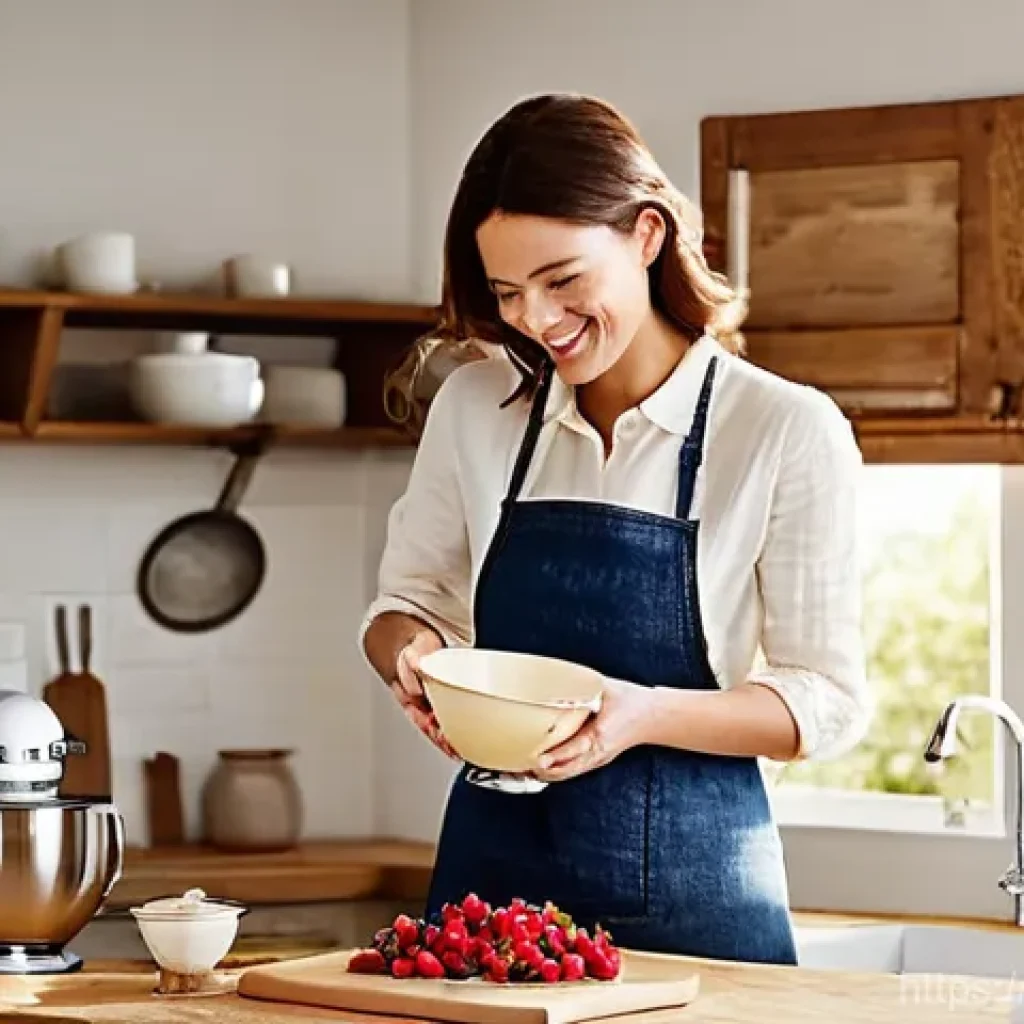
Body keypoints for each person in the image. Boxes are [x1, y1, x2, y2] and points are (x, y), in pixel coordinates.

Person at [360, 93, 872, 966]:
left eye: (563, 281)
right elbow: (406, 603)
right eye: (507, 292)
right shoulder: (477, 408)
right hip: (491, 894)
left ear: (646, 235)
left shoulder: (783, 427)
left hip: (699, 893)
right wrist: (410, 657)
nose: (535, 320)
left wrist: (636, 715)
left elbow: (825, 700)